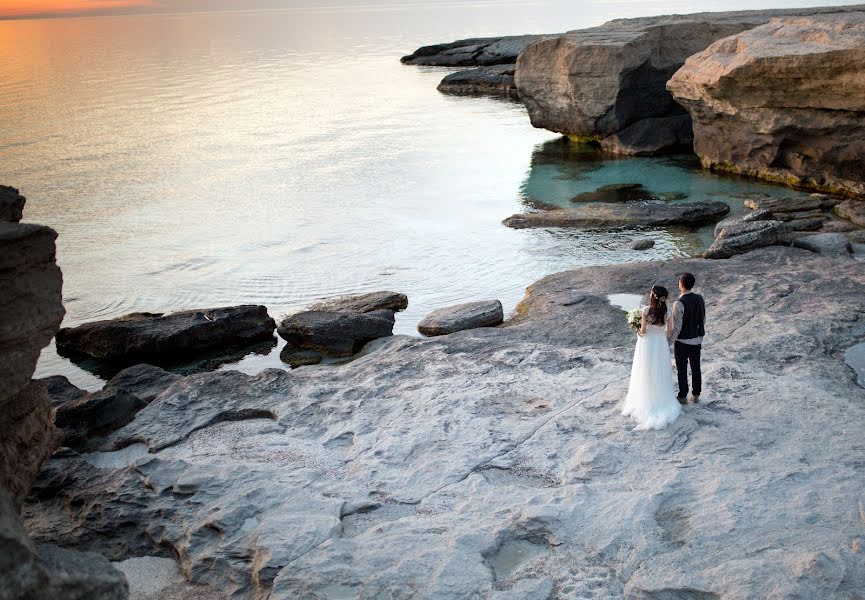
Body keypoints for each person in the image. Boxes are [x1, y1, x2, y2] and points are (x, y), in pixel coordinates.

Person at [622, 285, 682, 430]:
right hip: (660, 344)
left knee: (645, 370)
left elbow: (642, 330)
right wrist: (661, 336)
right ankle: (661, 399)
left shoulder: (646, 311)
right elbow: (670, 331)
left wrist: (639, 331)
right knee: (659, 371)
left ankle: (645, 399)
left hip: (647, 344)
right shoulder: (666, 312)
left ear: (652, 296)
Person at [670, 272, 705, 404]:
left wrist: (668, 341)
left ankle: (682, 396)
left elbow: (677, 327)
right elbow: (703, 319)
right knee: (696, 367)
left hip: (682, 342)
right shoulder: (700, 298)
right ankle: (696, 395)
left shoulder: (678, 304)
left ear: (682, 284)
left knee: (682, 369)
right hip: (697, 339)